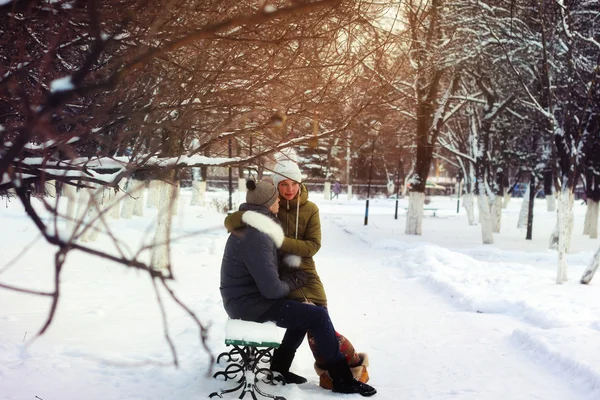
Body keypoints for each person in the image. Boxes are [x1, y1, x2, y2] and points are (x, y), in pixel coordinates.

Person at [225, 154, 370, 390]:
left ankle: (282, 368)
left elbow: (312, 246)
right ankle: (340, 376)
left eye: (293, 183)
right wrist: (235, 223)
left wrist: (280, 241)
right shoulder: (269, 209)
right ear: (276, 188)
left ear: (300, 184)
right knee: (312, 317)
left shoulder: (309, 209)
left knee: (318, 312)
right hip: (277, 275)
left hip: (303, 270)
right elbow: (250, 221)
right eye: (283, 184)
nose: (289, 189)